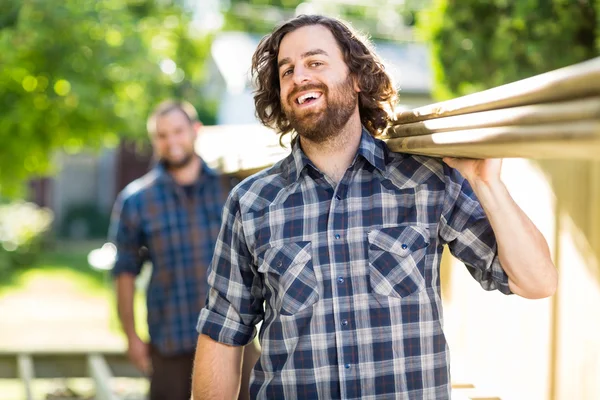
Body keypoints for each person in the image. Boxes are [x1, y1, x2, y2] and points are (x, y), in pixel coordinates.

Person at [192, 15, 558, 399]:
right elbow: (223, 330)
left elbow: (537, 281)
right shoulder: (251, 203)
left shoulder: (426, 180)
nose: (298, 77)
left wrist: (487, 184)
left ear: (356, 78)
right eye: (287, 70)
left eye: (315, 62)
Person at [109, 100, 260, 400]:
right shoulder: (136, 200)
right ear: (155, 141)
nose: (171, 142)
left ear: (195, 131)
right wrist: (131, 336)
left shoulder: (232, 188)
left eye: (178, 131)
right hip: (170, 341)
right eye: (162, 135)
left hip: (233, 338)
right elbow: (124, 272)